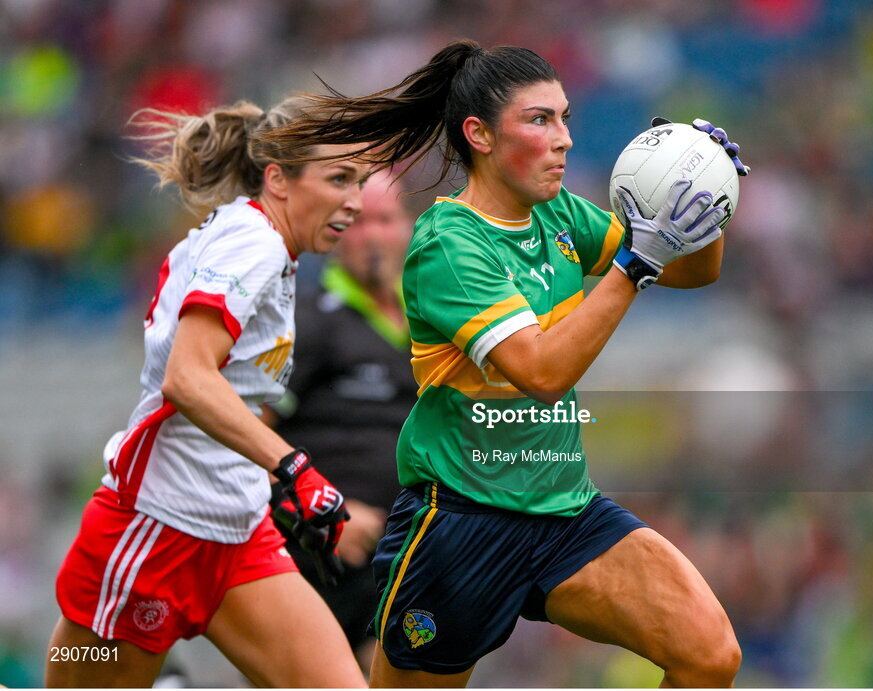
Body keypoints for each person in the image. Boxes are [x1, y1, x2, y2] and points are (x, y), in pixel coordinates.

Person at [262, 39, 749, 687]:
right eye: (540, 119)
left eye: (566, 116)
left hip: (563, 512)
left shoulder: (558, 211)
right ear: (479, 135)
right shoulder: (447, 243)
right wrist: (636, 261)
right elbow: (542, 373)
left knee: (709, 652)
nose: (565, 138)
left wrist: (703, 199)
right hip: (459, 525)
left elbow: (690, 269)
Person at [46, 97, 369, 688]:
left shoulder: (274, 248)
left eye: (362, 182)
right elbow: (188, 378)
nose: (356, 201)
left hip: (238, 532)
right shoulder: (256, 243)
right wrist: (294, 466)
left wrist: (272, 479)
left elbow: (233, 395)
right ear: (278, 178)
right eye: (339, 179)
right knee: (77, 678)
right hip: (157, 530)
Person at [266, 170, 417, 669]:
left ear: (409, 228)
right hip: (321, 561)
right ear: (334, 234)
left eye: (384, 219)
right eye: (355, 221)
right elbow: (243, 434)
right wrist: (316, 511)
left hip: (407, 559)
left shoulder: (435, 324)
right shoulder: (305, 322)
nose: (371, 234)